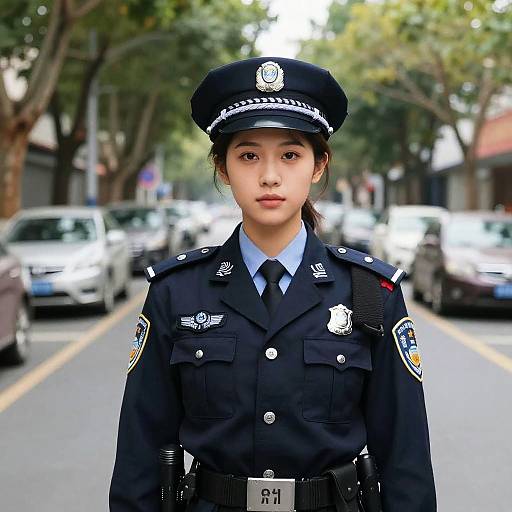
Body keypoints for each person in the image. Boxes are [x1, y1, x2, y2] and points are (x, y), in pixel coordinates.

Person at [109, 57, 436, 512]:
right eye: (247, 155)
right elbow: (139, 451)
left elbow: (405, 456)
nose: (269, 175)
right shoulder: (177, 292)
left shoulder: (369, 292)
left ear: (319, 165)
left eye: (290, 154)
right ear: (223, 168)